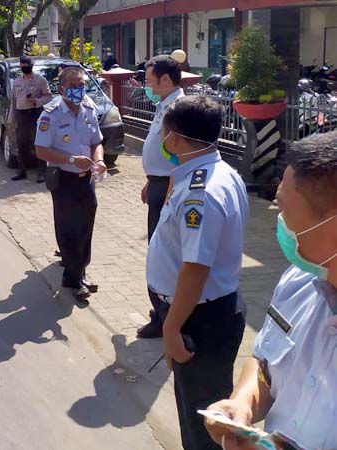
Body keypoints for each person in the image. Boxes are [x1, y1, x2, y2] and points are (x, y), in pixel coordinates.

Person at [203, 132, 337, 450]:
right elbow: (265, 361)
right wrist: (243, 403)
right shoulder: (297, 282)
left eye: (286, 213)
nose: (280, 224)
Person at [145, 95, 248, 450]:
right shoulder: (214, 172)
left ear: (174, 138)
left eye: (162, 130)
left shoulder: (200, 193)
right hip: (203, 311)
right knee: (200, 406)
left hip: (198, 319)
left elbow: (196, 267)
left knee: (203, 420)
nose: (160, 136)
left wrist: (171, 327)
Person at [34, 66, 106, 301]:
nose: (79, 89)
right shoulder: (50, 114)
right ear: (62, 88)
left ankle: (77, 273)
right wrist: (73, 159)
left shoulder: (89, 109)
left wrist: (100, 160)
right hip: (63, 179)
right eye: (74, 85)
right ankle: (75, 278)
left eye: (82, 85)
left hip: (87, 180)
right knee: (68, 229)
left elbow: (97, 141)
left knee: (86, 227)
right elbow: (41, 150)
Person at [137, 54, 186, 339]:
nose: (145, 84)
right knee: (159, 249)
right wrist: (150, 180)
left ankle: (165, 317)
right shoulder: (165, 105)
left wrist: (166, 190)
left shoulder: (177, 109)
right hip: (159, 183)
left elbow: (178, 158)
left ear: (165, 80)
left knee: (162, 254)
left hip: (169, 188)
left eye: (148, 79)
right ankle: (162, 312)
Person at [10, 56, 53, 183]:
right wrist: (12, 118)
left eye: (27, 64)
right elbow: (14, 100)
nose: (24, 67)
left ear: (32, 65)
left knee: (38, 143)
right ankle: (22, 170)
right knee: (21, 144)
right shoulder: (17, 81)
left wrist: (37, 101)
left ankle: (42, 172)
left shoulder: (40, 80)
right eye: (22, 65)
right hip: (21, 114)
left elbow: (48, 97)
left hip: (35, 113)